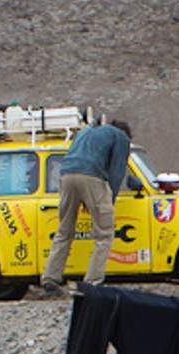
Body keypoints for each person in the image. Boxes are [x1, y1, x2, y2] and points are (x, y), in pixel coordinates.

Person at [40, 115, 132, 293]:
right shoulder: (121, 138)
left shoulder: (85, 132)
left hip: (66, 176)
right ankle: (92, 283)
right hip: (92, 177)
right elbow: (116, 171)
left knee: (64, 231)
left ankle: (50, 278)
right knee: (104, 235)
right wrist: (107, 201)